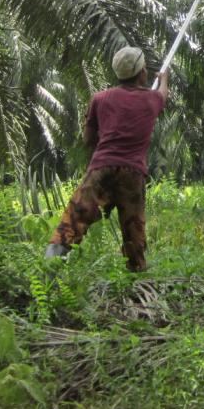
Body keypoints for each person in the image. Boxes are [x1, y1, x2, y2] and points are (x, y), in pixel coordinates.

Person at [44, 46, 169, 271]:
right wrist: (164, 79)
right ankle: (135, 275)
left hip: (101, 168)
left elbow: (89, 138)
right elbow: (162, 95)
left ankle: (49, 270)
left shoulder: (99, 99)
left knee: (74, 219)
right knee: (133, 231)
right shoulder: (151, 100)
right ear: (142, 73)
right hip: (133, 174)